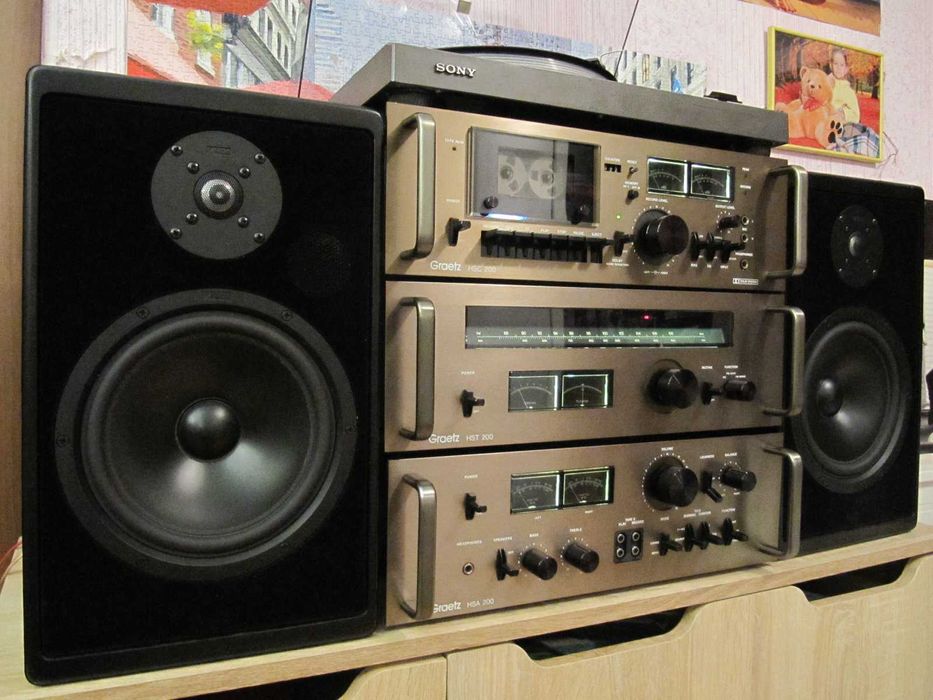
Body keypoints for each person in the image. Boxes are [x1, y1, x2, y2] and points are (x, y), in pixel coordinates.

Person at [829, 47, 860, 124]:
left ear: (846, 69)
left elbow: (856, 115)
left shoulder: (848, 91)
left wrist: (843, 112)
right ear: (831, 65)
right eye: (835, 64)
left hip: (838, 123)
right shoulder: (825, 82)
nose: (838, 68)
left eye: (842, 65)